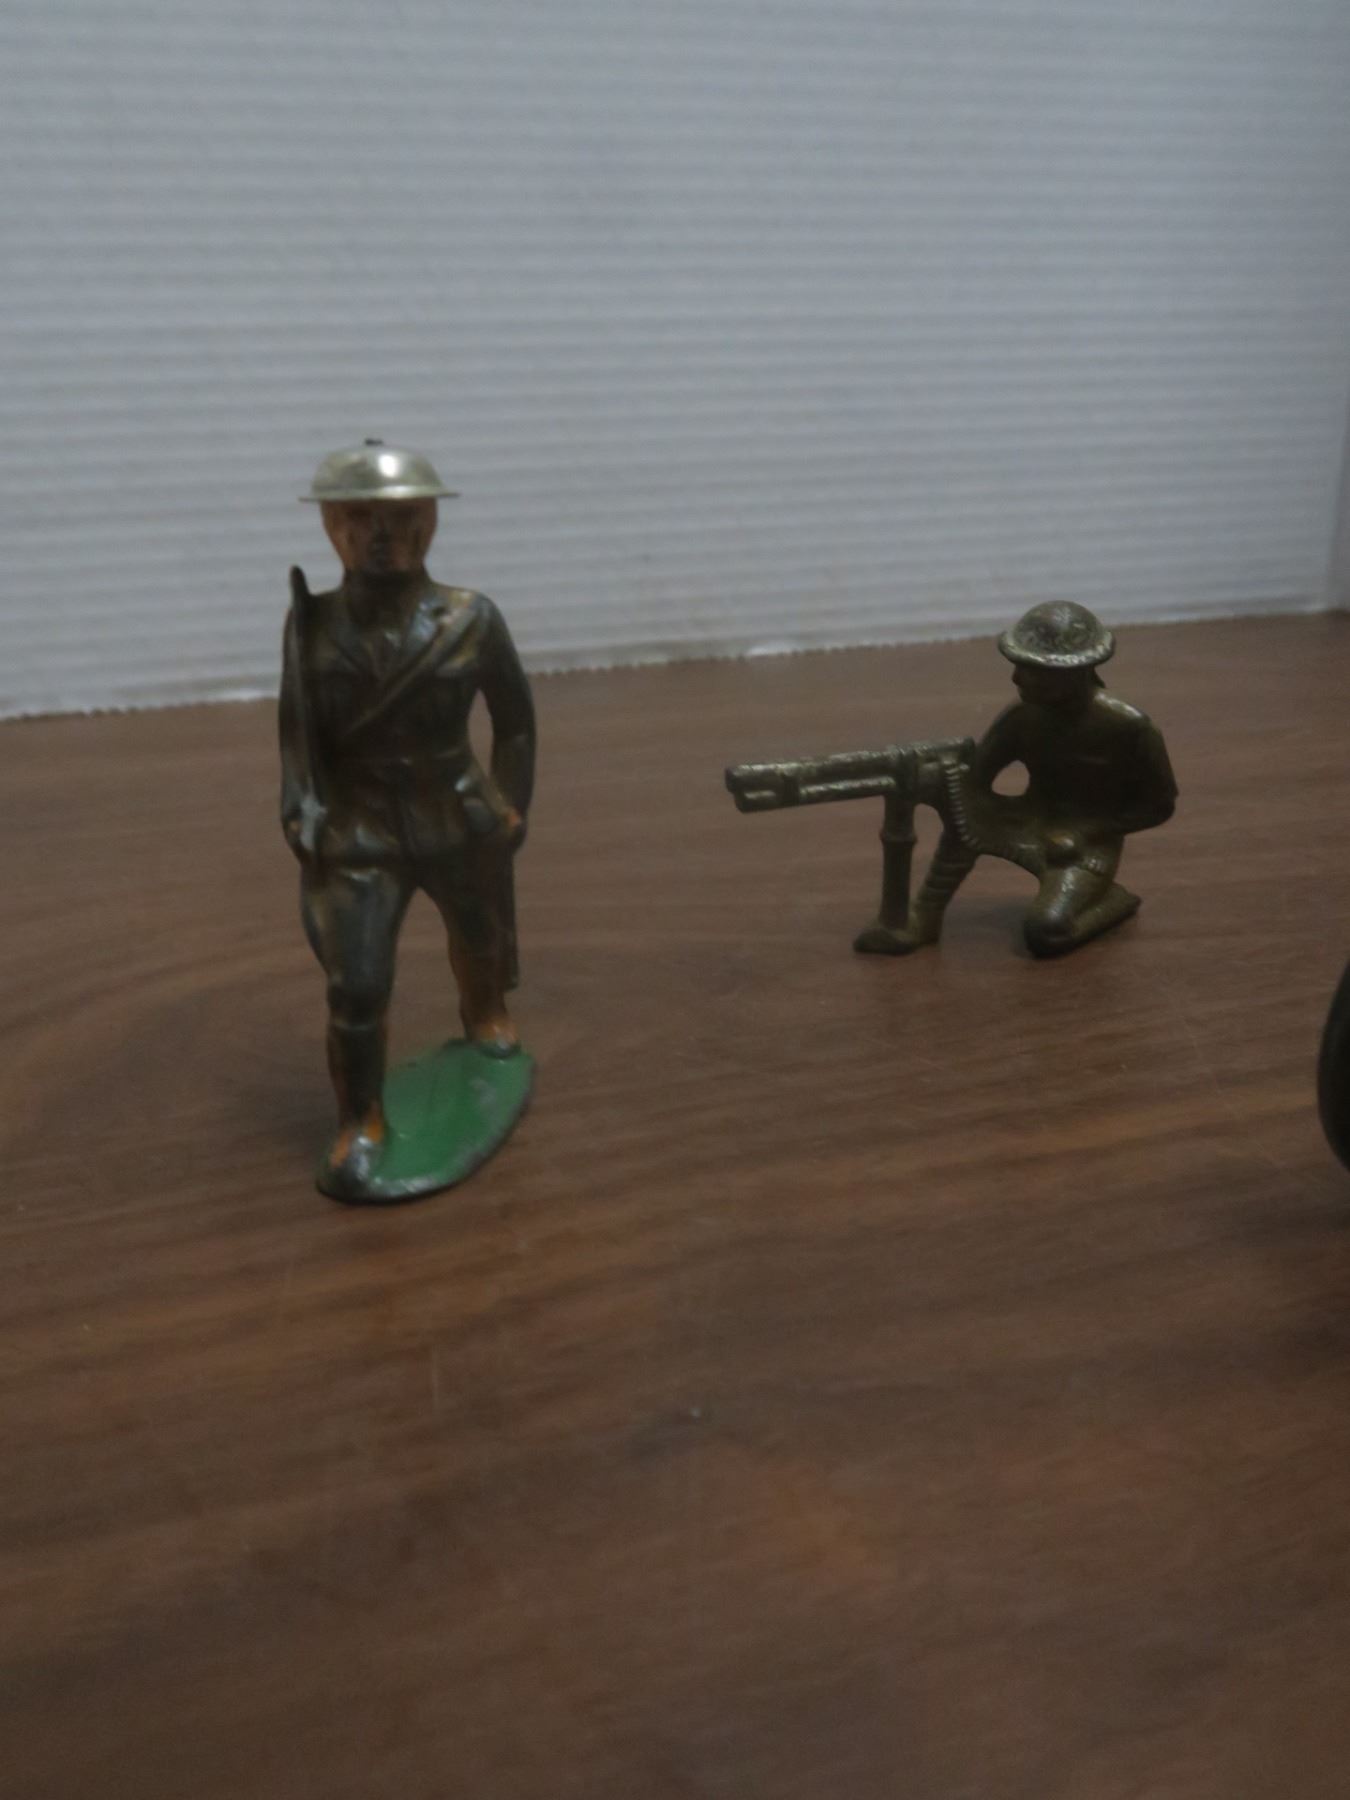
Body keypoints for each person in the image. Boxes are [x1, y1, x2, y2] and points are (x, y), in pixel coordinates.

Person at [280, 440, 535, 1195]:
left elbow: (516, 721)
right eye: (359, 519)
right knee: (356, 987)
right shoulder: (311, 626)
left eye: (401, 517)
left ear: (430, 521)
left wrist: (512, 804)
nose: (380, 535)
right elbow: (296, 738)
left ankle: (485, 1015)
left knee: (480, 938)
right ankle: (361, 1123)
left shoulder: (471, 619)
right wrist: (299, 813)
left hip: (457, 816)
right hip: (359, 832)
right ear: (331, 527)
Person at [855, 601, 1176, 958]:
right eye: (1018, 665)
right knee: (966, 817)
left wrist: (1089, 832)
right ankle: (923, 917)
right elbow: (976, 780)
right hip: (1027, 819)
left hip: (1085, 844)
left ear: (1076, 671)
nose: (1017, 678)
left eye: (1034, 670)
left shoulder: (1130, 729)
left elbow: (1159, 806)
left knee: (1047, 931)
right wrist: (935, 781)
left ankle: (1113, 900)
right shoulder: (1022, 718)